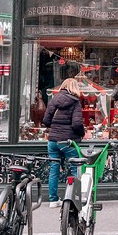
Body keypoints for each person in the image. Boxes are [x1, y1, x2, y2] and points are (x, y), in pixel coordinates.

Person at [43, 77, 85, 207]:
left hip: (53, 140)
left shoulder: (54, 100)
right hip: (68, 141)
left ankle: (53, 200)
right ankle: (75, 197)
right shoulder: (75, 102)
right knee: (75, 168)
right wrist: (82, 134)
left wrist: (55, 127)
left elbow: (46, 120)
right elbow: (77, 124)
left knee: (54, 170)